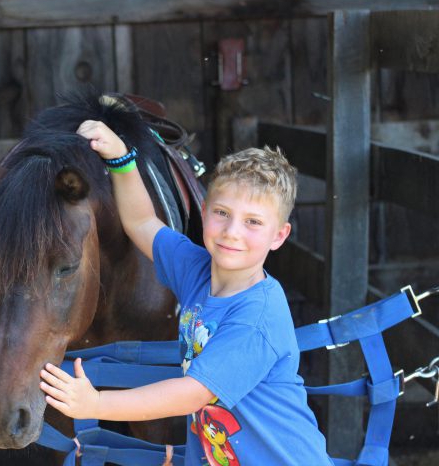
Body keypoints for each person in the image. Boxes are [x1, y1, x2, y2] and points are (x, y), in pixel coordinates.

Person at [39, 120, 332, 465]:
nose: (232, 232)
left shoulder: (257, 316)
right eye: (222, 213)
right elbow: (143, 223)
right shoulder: (197, 270)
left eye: (253, 222)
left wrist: (98, 405)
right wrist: (121, 158)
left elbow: (193, 393)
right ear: (205, 212)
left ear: (279, 235)